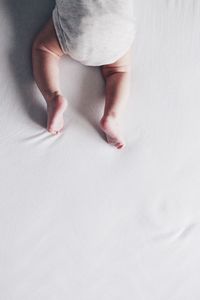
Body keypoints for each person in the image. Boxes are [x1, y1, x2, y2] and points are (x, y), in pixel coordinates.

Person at [32, 0, 135, 149]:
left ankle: (53, 97)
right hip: (117, 31)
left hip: (79, 29)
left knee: (44, 50)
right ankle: (112, 116)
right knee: (118, 71)